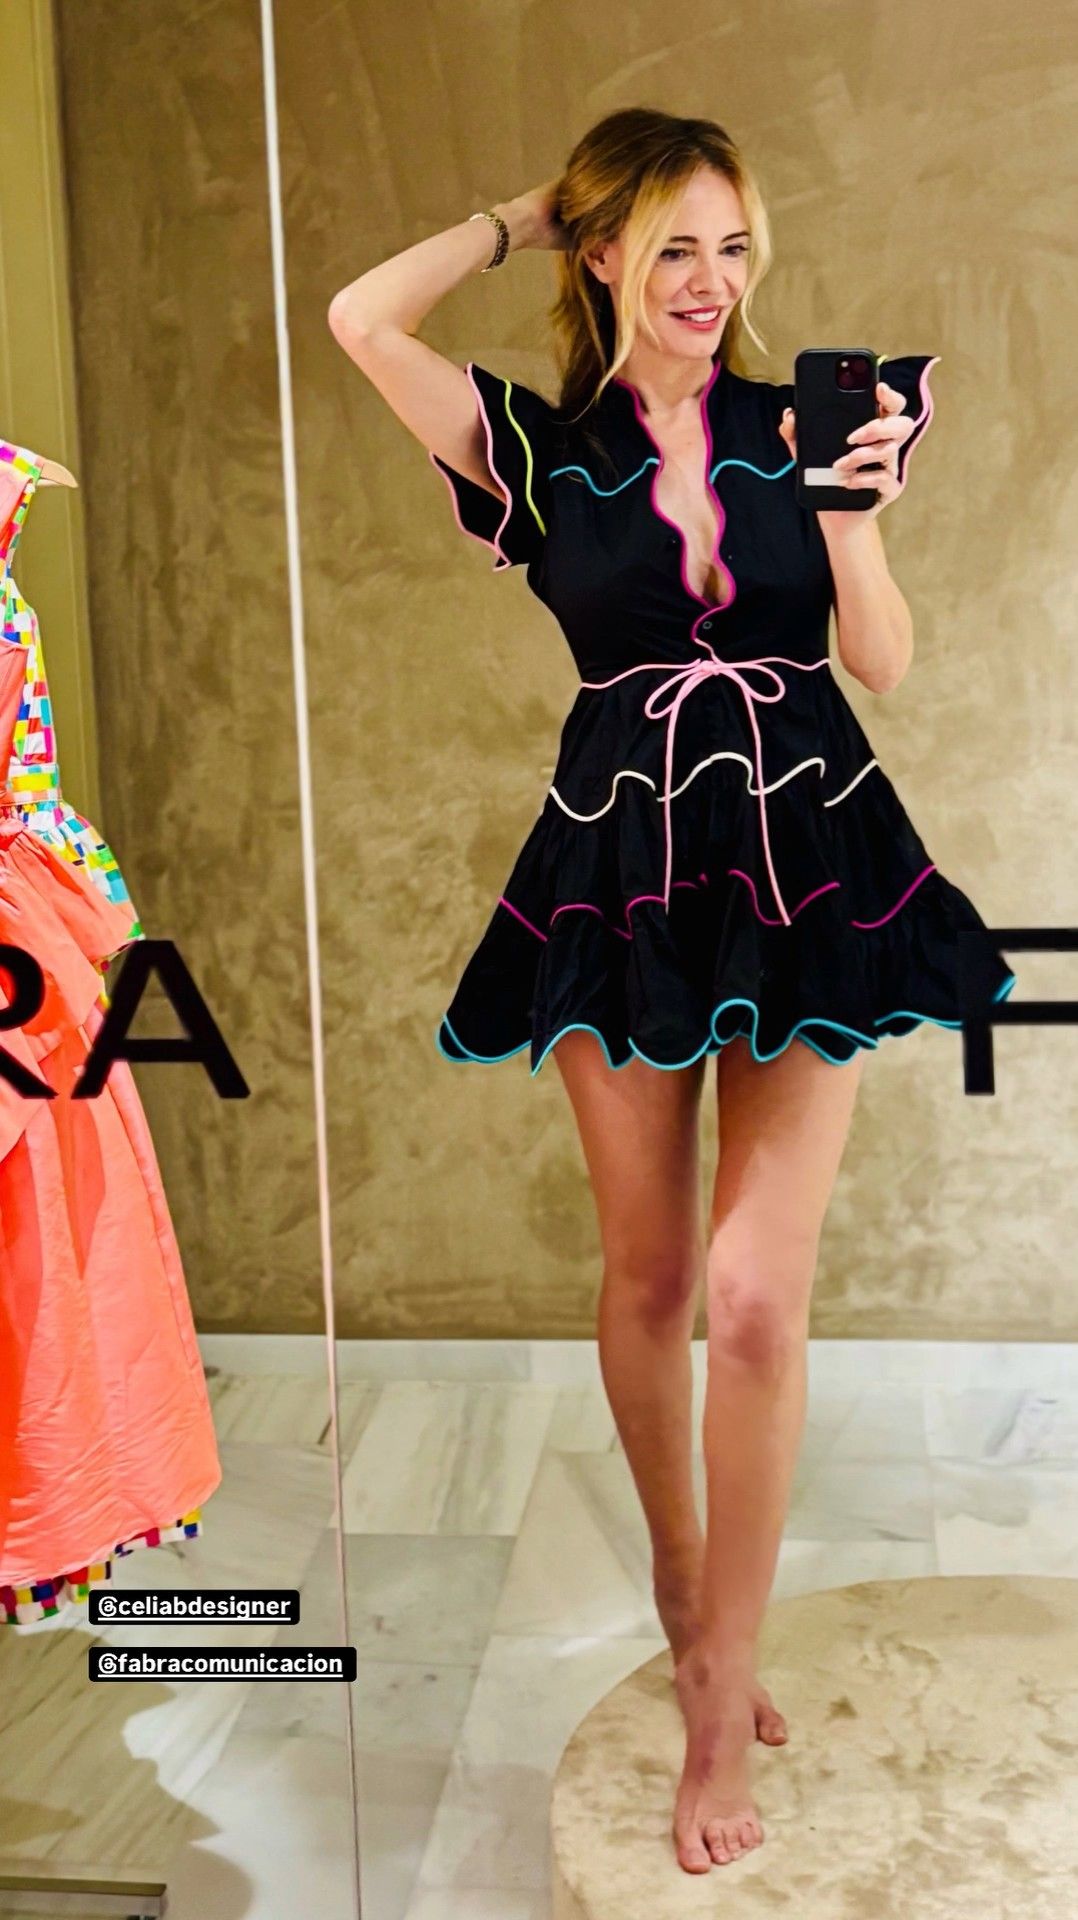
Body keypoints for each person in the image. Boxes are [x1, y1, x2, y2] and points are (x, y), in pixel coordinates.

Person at [328, 106, 1016, 1877]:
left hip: (810, 860)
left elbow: (878, 659)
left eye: (729, 246)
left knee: (754, 1295)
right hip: (616, 871)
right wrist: (516, 213)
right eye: (669, 245)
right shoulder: (537, 452)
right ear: (603, 254)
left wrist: (853, 516)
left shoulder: (808, 422)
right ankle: (682, 1583)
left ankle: (718, 1685)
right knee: (647, 1274)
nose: (708, 281)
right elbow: (358, 319)